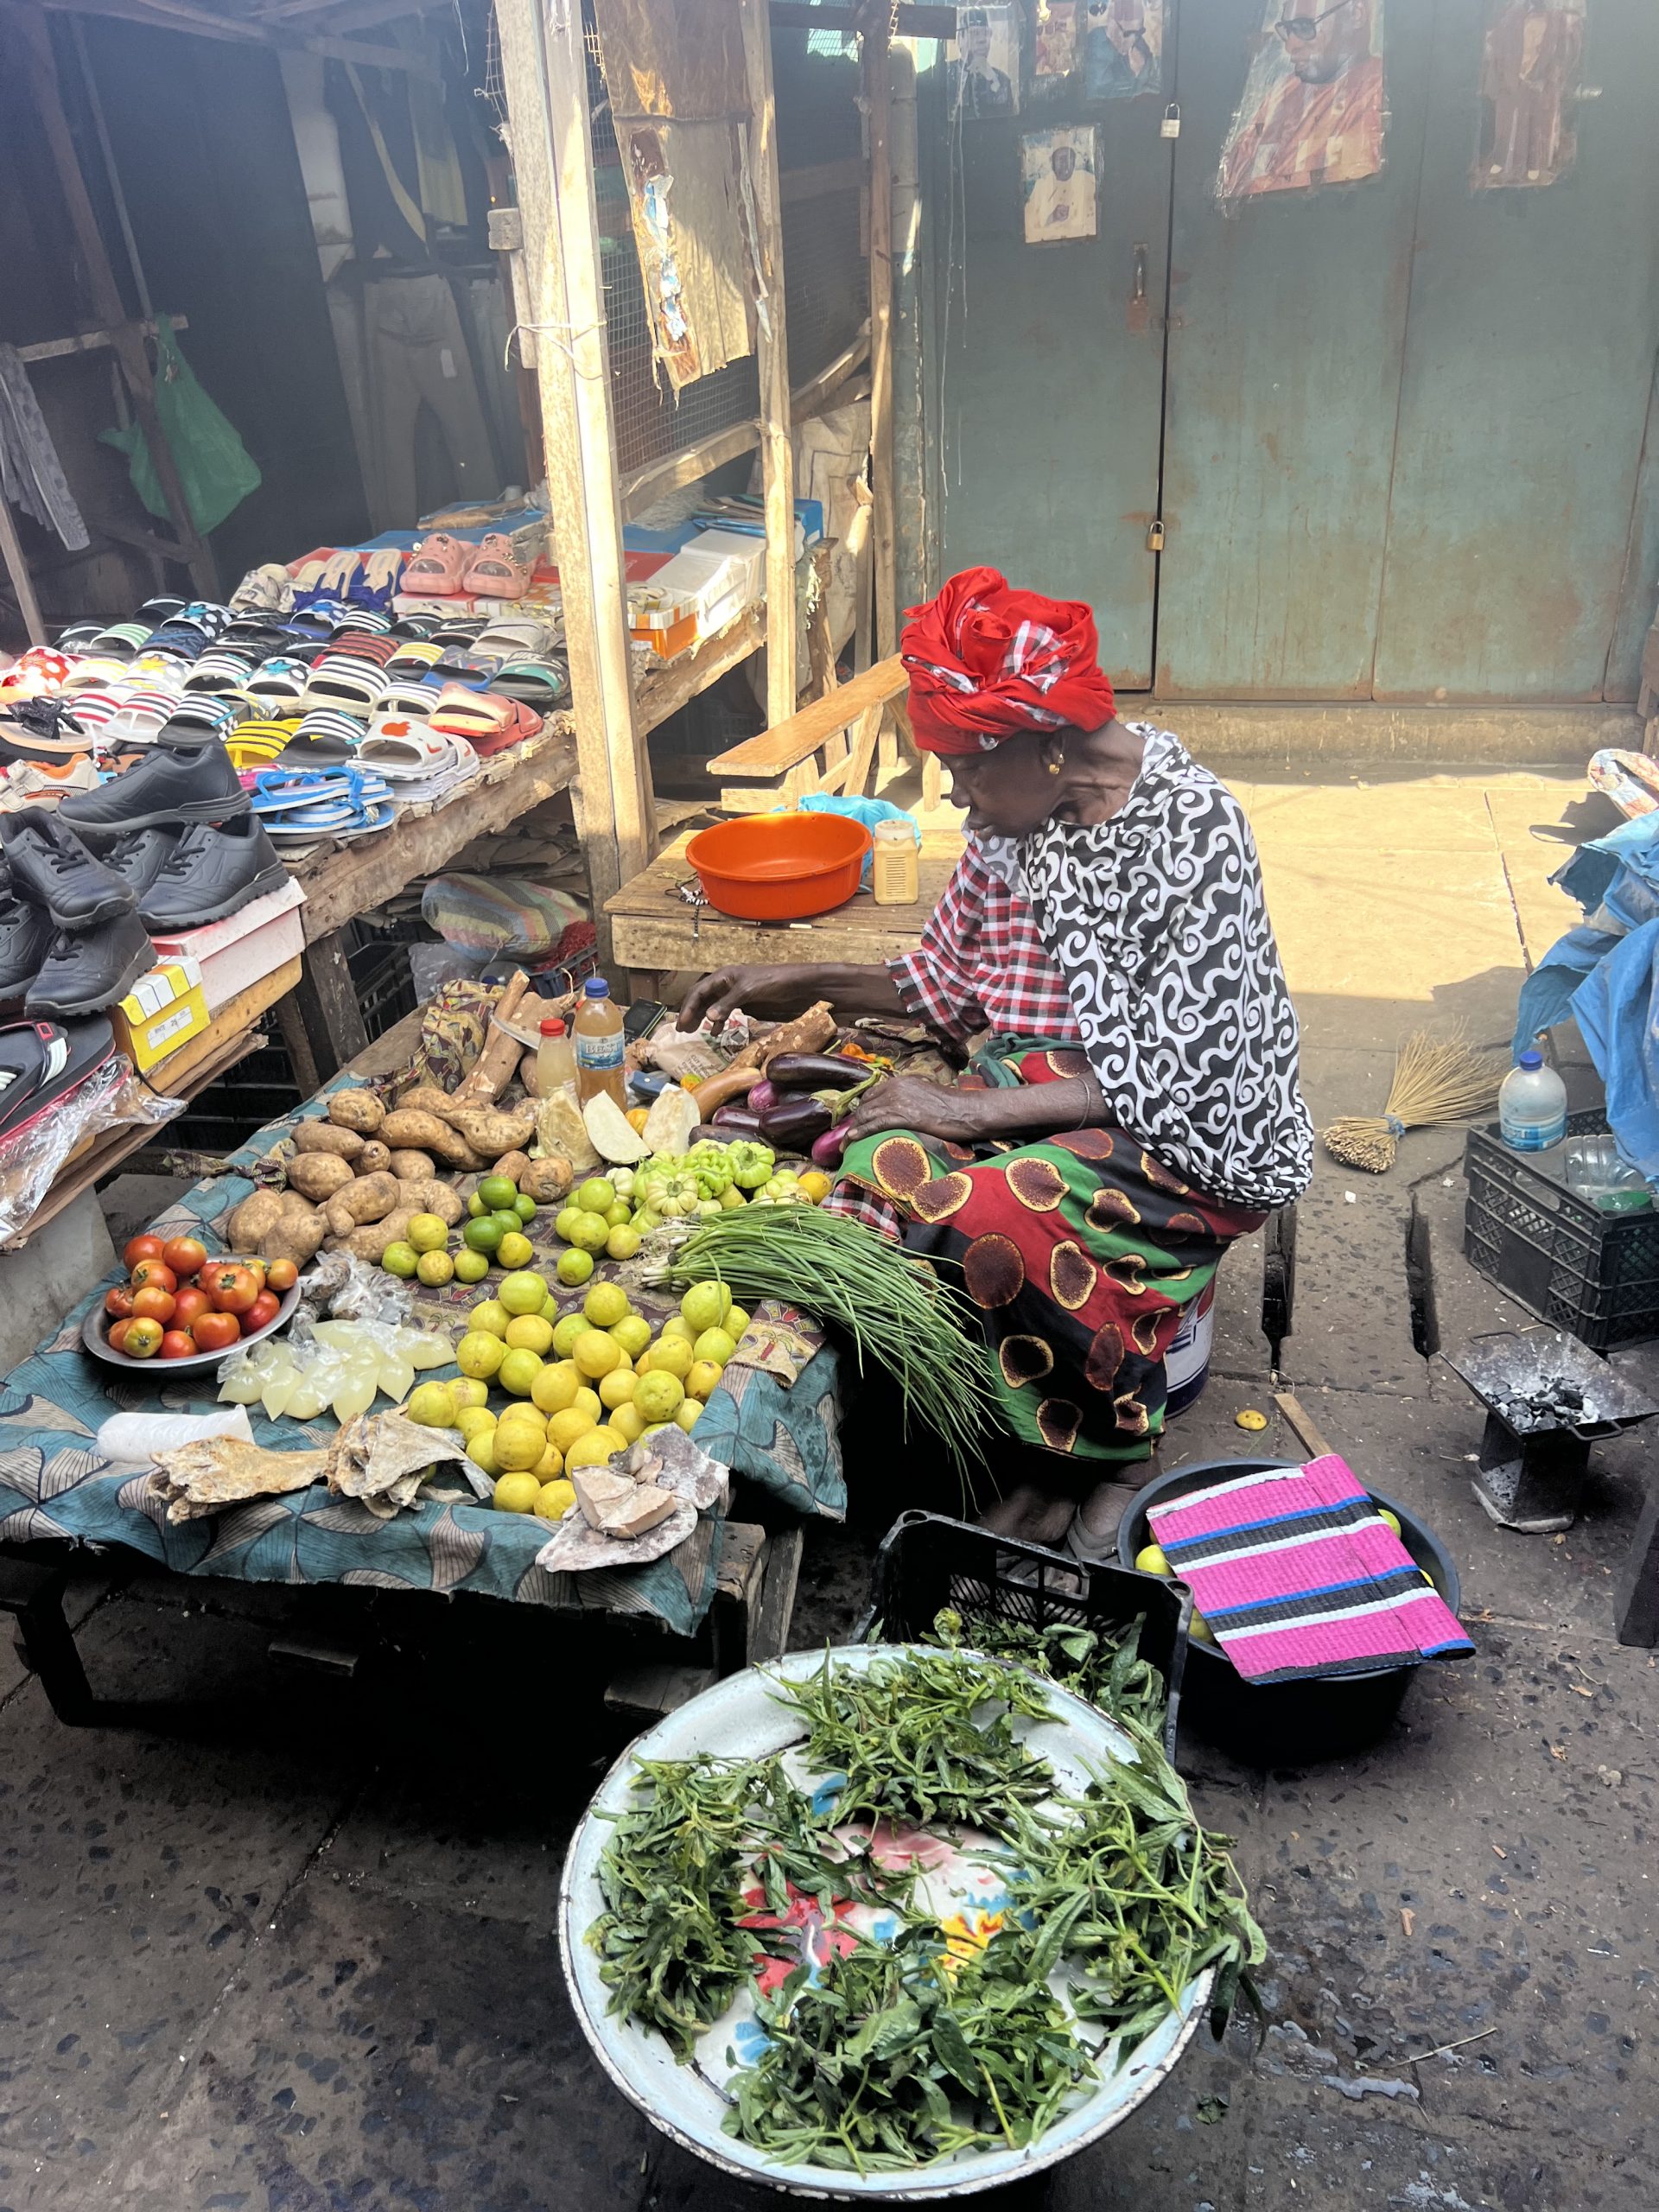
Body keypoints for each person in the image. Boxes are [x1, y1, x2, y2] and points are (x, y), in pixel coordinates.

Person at [682, 568, 1313, 1559]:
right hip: (1084, 1081)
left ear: (1047, 744)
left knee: (995, 1210)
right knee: (878, 1148)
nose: (957, 797)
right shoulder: (1029, 820)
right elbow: (942, 983)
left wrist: (965, 1113)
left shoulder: (1195, 830)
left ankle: (1102, 1454)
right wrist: (793, 979)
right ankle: (999, 1429)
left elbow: (1179, 1079)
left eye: (968, 771)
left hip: (1201, 1135)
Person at [1217, 0, 1386, 201]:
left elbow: (1339, 196)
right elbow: (1231, 177)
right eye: (1287, 30)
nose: (1290, 46)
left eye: (1305, 27)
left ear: (1355, 14)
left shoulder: (1376, 94)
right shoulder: (1286, 92)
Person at [950, 7, 1015, 119]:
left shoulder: (1002, 80)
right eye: (974, 33)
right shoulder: (947, 74)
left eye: (986, 33)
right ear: (960, 39)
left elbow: (1008, 122)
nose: (982, 40)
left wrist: (993, 81)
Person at [1025, 141, 1090, 238]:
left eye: (1068, 158)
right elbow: (1028, 228)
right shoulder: (1041, 186)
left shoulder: (1087, 181)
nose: (1065, 164)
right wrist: (1052, 218)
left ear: (1074, 161)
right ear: (1052, 163)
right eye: (1060, 159)